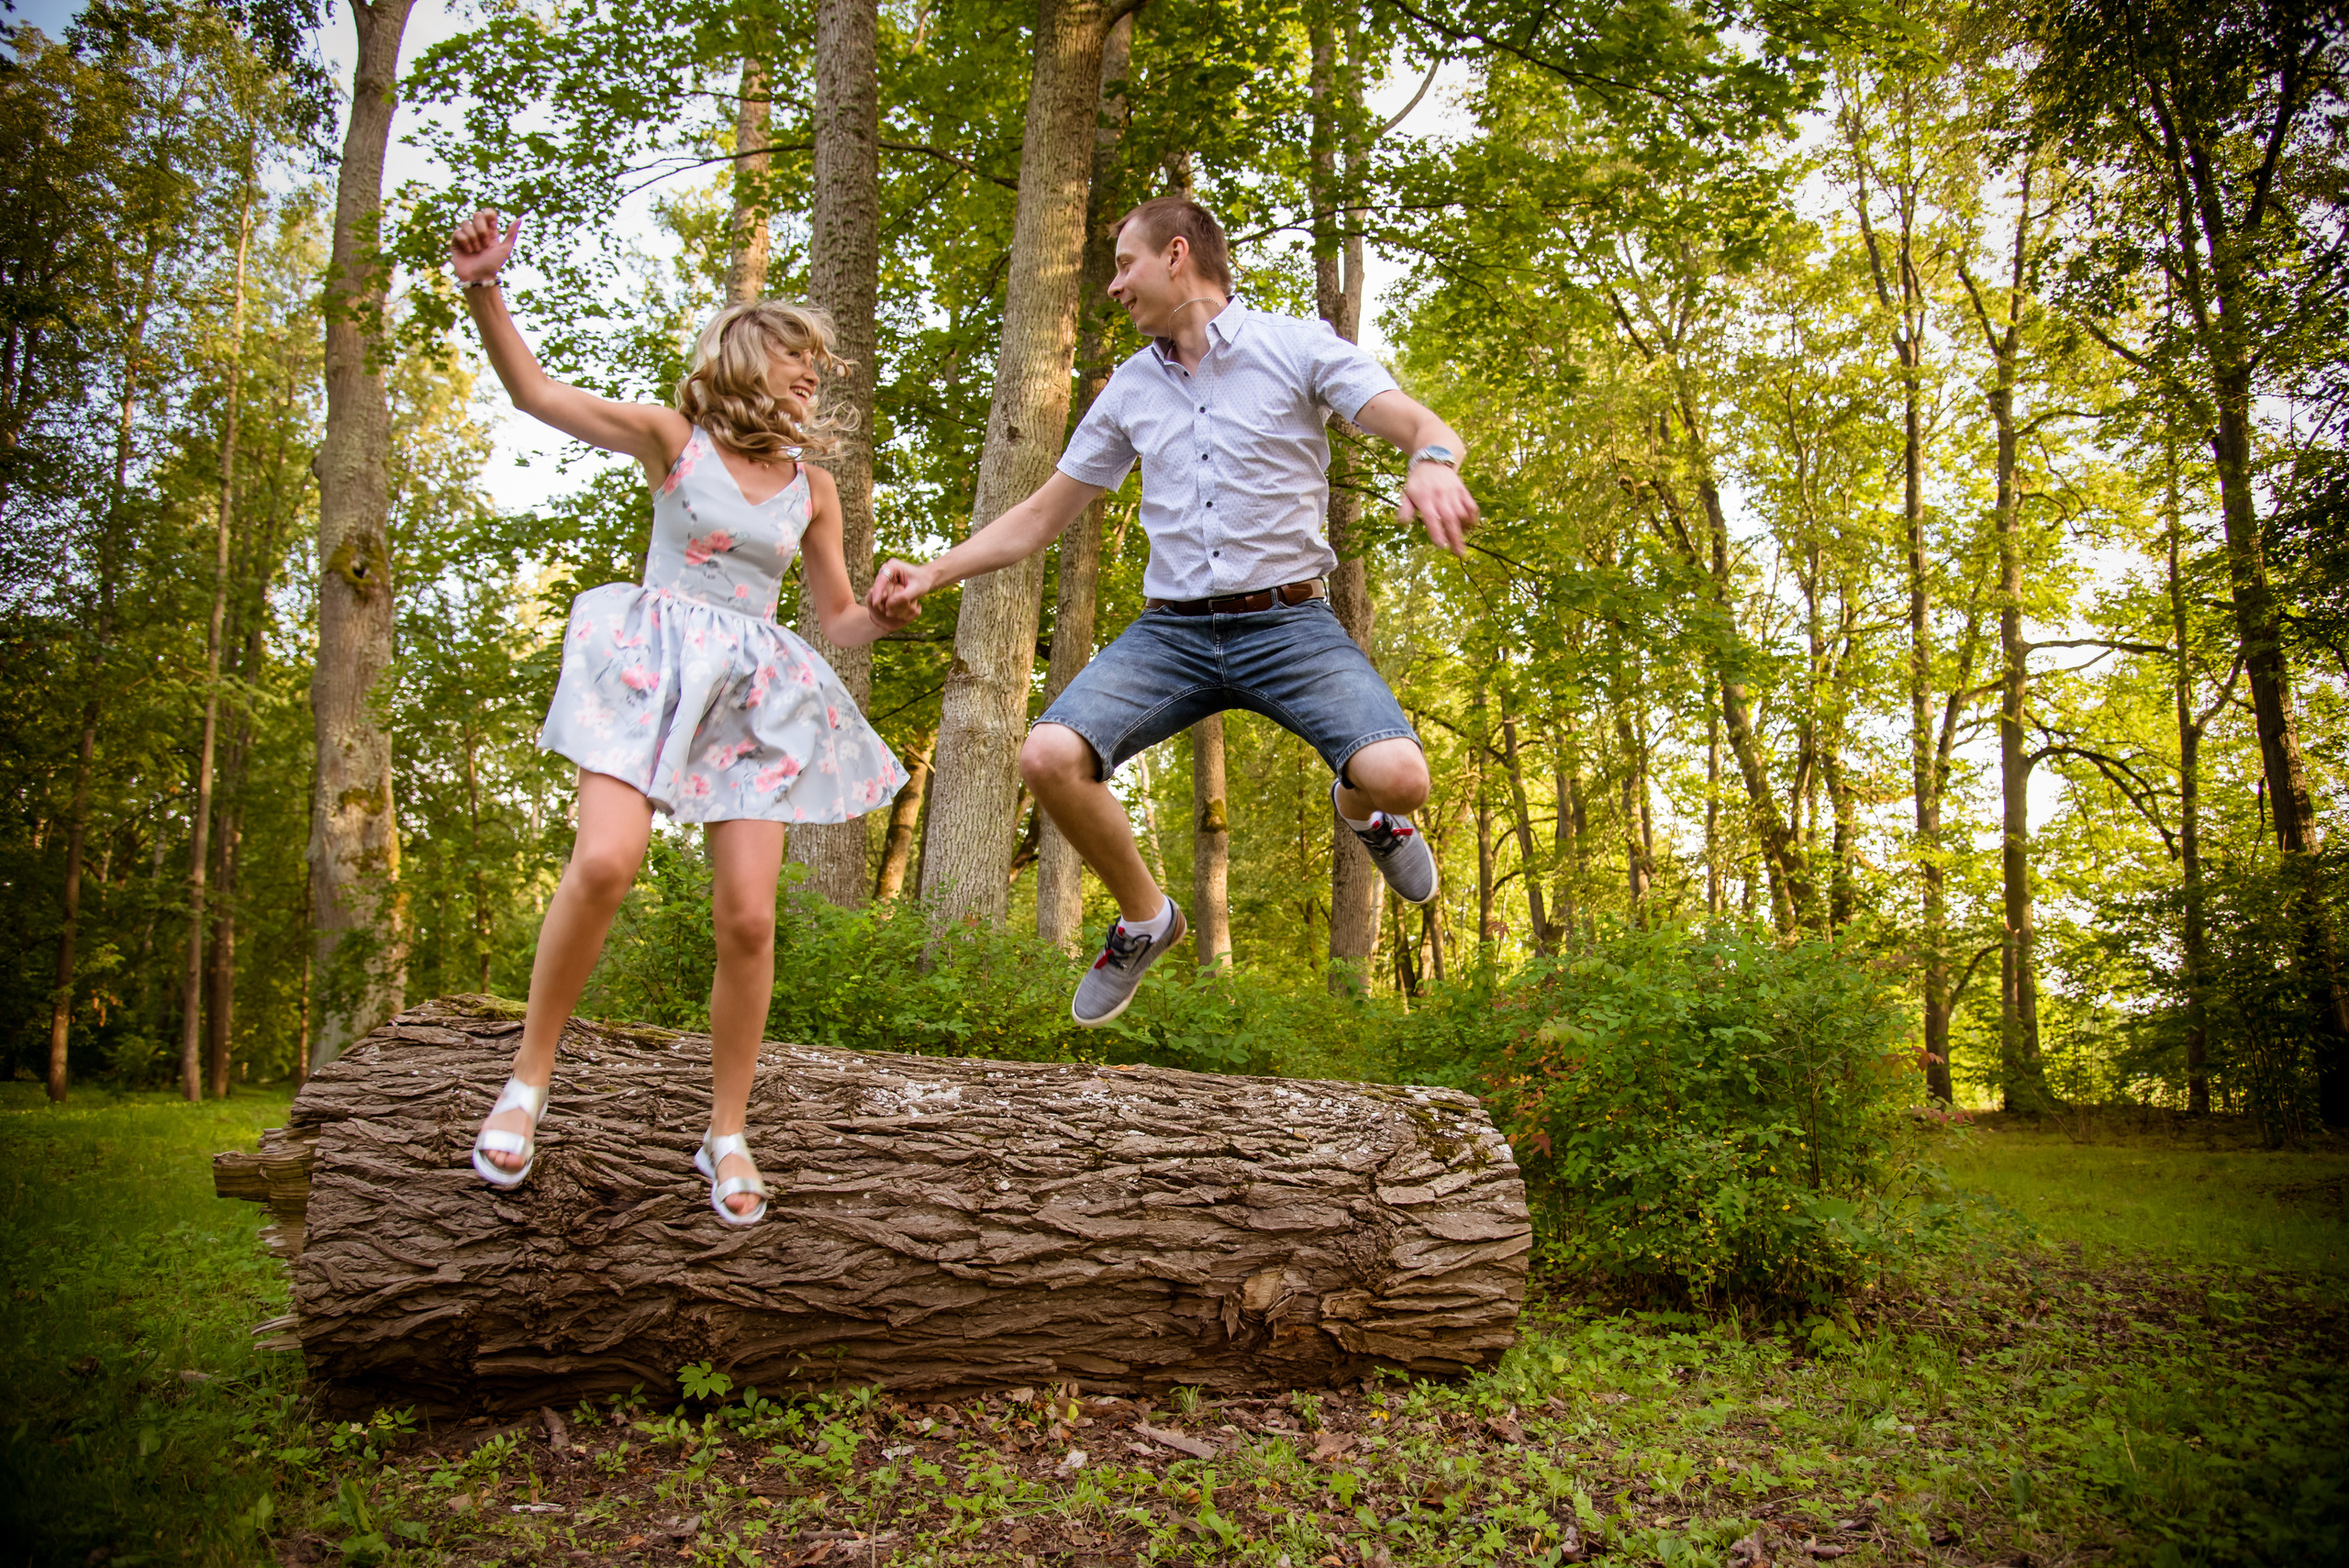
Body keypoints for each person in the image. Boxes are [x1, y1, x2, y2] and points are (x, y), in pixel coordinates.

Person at [869, 196, 1479, 1026]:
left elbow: (1412, 418)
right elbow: (1043, 515)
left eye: (1124, 265)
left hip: (1290, 624)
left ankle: (1362, 810)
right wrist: (931, 572)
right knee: (1047, 754)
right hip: (1175, 632)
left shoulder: (1294, 346)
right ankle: (1147, 917)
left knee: (1401, 778)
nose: (1115, 286)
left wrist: (1433, 458)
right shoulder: (1129, 388)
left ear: (1177, 255)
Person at [449, 209, 916, 1225]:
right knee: (606, 861)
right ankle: (526, 1082)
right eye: (800, 358)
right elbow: (534, 395)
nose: (813, 375)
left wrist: (881, 611)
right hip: (652, 664)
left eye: (818, 365)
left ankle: (726, 1130)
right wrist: (486, 286)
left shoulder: (814, 489)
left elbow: (835, 621)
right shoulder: (675, 441)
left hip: (753, 692)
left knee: (749, 916)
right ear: (751, 356)